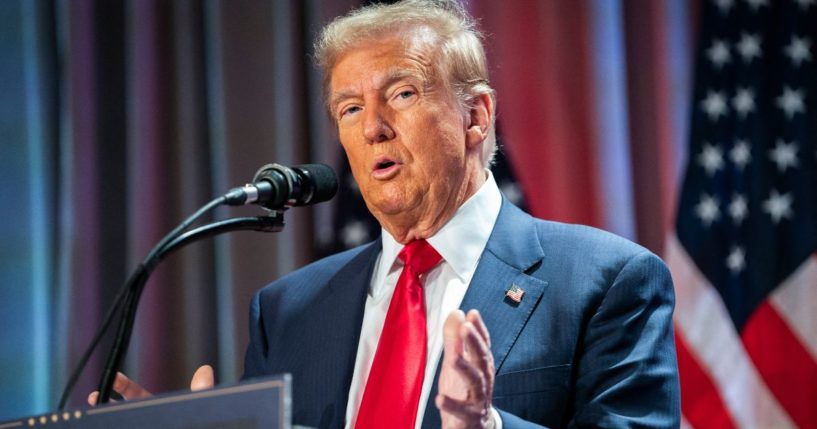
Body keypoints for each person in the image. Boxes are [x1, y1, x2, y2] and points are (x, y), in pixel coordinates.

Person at [93, 1, 681, 427]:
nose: (373, 128)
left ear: (476, 116)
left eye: (401, 94)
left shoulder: (607, 281)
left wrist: (485, 427)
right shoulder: (288, 310)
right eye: (349, 108)